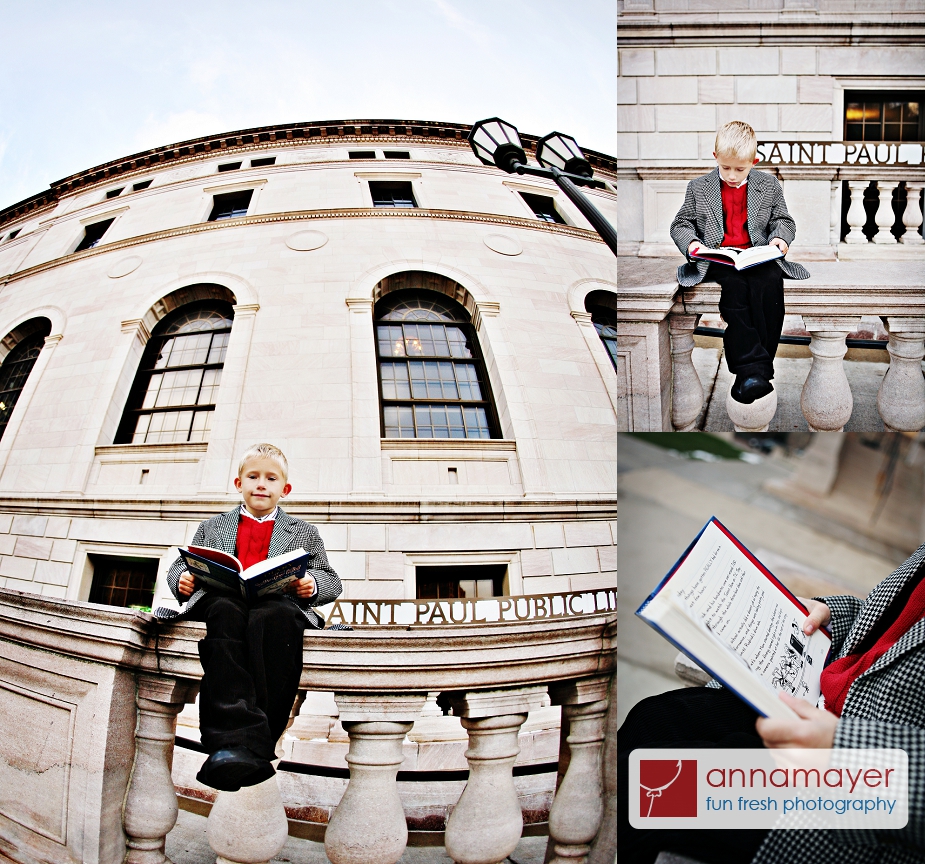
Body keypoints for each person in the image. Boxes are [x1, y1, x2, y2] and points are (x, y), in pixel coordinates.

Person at [619, 541, 925, 864]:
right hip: (806, 692)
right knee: (650, 719)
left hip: (861, 787)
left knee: (641, 792)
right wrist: (829, 615)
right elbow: (896, 621)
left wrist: (846, 752)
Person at [155, 442, 343, 792]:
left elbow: (331, 580)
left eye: (271, 478)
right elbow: (186, 563)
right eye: (253, 476)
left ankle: (256, 745)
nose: (261, 484)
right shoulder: (212, 526)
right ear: (238, 483)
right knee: (225, 613)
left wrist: (311, 584)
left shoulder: (304, 531)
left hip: (278, 605)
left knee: (272, 620)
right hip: (222, 599)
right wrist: (181, 578)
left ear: (284, 489)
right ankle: (229, 742)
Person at [670, 120, 810, 405]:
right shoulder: (698, 187)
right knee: (734, 293)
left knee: (769, 286)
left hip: (757, 254)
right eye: (725, 168)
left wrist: (780, 240)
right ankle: (755, 371)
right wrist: (692, 244)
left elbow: (782, 220)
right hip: (719, 256)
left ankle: (752, 372)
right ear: (715, 159)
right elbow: (681, 224)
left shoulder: (769, 184)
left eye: (740, 169)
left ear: (753, 162)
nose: (732, 175)